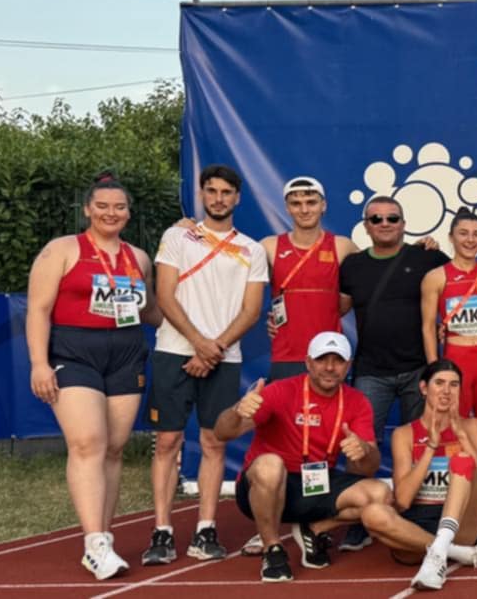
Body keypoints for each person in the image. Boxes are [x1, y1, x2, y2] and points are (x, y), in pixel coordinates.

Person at [26, 173, 163, 580]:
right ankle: (94, 542)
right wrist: (38, 363)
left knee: (114, 449)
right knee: (88, 443)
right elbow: (38, 310)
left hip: (126, 353)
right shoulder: (62, 249)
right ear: (87, 209)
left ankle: (103, 536)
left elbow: (150, 310)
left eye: (119, 207)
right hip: (74, 352)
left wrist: (196, 328)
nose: (111, 213)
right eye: (102, 206)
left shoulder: (139, 258)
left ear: (128, 213)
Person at [146, 164, 269, 565]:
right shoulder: (177, 237)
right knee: (168, 442)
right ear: (202, 195)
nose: (219, 198)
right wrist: (199, 344)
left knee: (215, 442)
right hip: (174, 351)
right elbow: (165, 296)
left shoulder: (252, 249)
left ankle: (205, 530)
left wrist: (214, 349)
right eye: (212, 191)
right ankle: (162, 532)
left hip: (225, 357)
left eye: (226, 192)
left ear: (238, 198)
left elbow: (251, 311)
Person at [214, 332, 391, 583]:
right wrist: (236, 411)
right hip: (267, 485)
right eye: (322, 359)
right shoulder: (280, 391)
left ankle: (314, 528)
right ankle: (273, 549)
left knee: (380, 494)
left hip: (316, 483)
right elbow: (222, 433)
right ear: (308, 362)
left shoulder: (357, 401)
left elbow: (368, 468)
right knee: (270, 465)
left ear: (348, 365)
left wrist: (364, 450)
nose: (330, 367)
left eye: (338, 360)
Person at [338, 195, 449, 549]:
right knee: (360, 447)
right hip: (371, 372)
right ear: (366, 226)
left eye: (392, 218)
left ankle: (419, 514)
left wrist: (448, 327)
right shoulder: (352, 266)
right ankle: (359, 517)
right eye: (377, 219)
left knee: (423, 444)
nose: (384, 224)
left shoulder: (427, 258)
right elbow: (330, 308)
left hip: (419, 370)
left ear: (404, 223)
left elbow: (461, 286)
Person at [387, 360, 477, 591]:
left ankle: (443, 546)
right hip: (419, 524)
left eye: (454, 385)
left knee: (462, 460)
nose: (446, 391)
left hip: (464, 522)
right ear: (424, 388)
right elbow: (403, 500)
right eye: (439, 383)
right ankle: (455, 552)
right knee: (373, 514)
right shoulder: (404, 434)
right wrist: (430, 447)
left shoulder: (471, 426)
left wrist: (462, 437)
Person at [419, 207, 477, 529]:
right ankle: (454, 512)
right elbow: (428, 327)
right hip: (456, 360)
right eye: (464, 234)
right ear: (451, 238)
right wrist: (435, 368)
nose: (470, 240)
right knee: (453, 431)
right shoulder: (436, 277)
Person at [261, 176, 358, 383]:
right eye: (296, 204)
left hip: (329, 355)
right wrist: (192, 230)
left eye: (311, 202)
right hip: (286, 355)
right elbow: (230, 269)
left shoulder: (342, 246)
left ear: (323, 205)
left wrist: (420, 248)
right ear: (287, 208)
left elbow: (380, 266)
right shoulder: (269, 246)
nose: (304, 210)